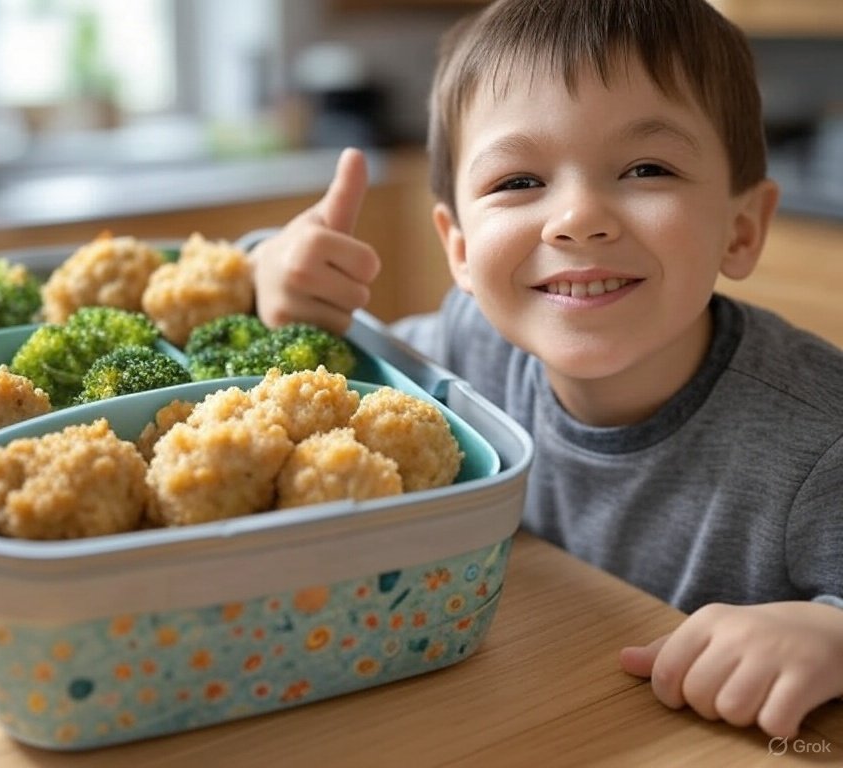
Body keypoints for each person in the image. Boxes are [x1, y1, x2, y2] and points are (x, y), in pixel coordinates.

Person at [248, 0, 843, 740]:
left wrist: (834, 639)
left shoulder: (819, 439)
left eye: (646, 168)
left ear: (743, 228)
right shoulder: (469, 348)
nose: (578, 217)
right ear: (459, 247)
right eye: (519, 182)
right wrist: (267, 272)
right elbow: (330, 359)